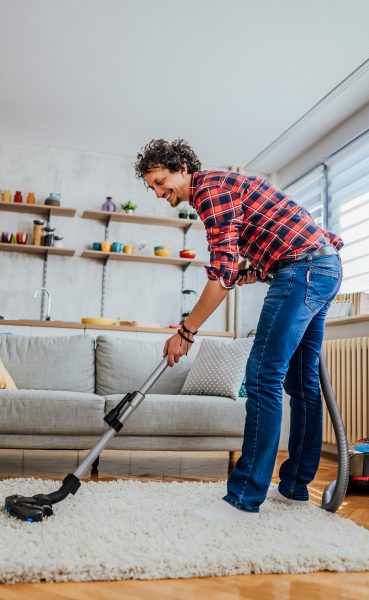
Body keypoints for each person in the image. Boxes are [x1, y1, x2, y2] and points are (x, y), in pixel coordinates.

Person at [134, 139, 343, 522]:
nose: (160, 193)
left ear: (182, 169)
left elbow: (221, 276)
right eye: (154, 188)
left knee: (263, 376)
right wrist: (256, 270)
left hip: (303, 270)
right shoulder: (221, 187)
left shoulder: (210, 190)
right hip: (321, 266)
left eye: (162, 182)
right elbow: (265, 243)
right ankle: (295, 488)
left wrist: (186, 332)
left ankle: (244, 499)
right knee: (301, 382)